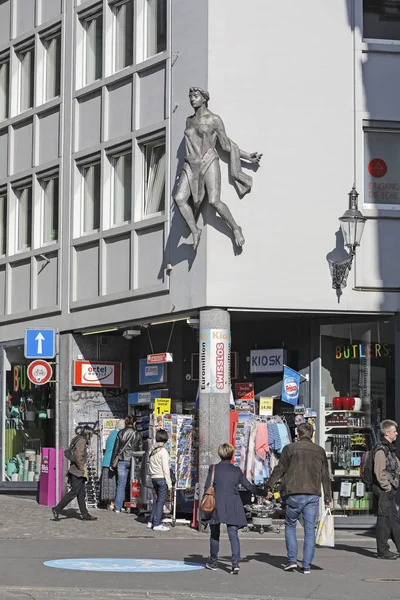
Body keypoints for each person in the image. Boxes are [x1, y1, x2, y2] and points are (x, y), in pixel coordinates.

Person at [174, 87, 262, 250]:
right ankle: (195, 230)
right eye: (190, 96)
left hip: (209, 160)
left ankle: (235, 228)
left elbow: (226, 145)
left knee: (214, 201)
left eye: (195, 96)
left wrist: (248, 156)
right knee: (179, 198)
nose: (192, 99)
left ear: (204, 98)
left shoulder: (214, 119)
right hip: (191, 163)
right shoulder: (189, 120)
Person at [266, 422, 331, 574]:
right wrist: (328, 497)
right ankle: (307, 565)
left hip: (293, 492)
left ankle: (292, 560)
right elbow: (325, 476)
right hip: (313, 493)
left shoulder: (289, 449)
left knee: (290, 526)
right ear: (312, 434)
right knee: (309, 530)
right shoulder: (319, 451)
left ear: (298, 434)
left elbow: (279, 469)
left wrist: (269, 486)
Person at [203, 442, 267, 575]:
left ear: (219, 454)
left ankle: (213, 561)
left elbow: (207, 486)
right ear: (232, 455)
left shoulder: (213, 468)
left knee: (214, 533)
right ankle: (235, 563)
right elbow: (249, 487)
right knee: (233, 533)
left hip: (216, 503)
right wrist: (263, 492)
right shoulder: (236, 471)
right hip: (232, 503)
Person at [52, 427, 97, 521]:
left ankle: (85, 514)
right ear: (88, 434)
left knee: (81, 494)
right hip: (77, 472)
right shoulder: (82, 441)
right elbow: (78, 456)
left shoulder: (78, 438)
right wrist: (82, 468)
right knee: (74, 492)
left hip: (76, 471)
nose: (91, 437)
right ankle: (57, 509)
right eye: (91, 435)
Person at [373, 419, 400, 560]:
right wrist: (387, 487)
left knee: (394, 520)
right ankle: (382, 551)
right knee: (384, 521)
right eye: (394, 431)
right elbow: (379, 472)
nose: (396, 433)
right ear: (387, 433)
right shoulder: (381, 450)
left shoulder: (389, 449)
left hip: (389, 490)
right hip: (384, 490)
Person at [110, 414, 143, 513]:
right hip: (134, 461)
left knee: (121, 484)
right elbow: (140, 449)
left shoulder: (120, 433)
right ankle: (134, 505)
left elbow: (116, 449)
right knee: (134, 484)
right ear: (134, 423)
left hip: (122, 460)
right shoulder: (137, 434)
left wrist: (112, 463)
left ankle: (117, 507)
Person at [148, 429, 172, 532]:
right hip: (161, 478)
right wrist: (169, 483)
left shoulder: (152, 451)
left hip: (153, 477)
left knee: (157, 500)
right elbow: (166, 469)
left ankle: (151, 521)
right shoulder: (163, 452)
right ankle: (157, 523)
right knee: (161, 501)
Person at [100, 419, 125, 510]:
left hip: (107, 461)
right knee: (112, 484)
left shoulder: (112, 434)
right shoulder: (117, 435)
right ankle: (112, 503)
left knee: (109, 484)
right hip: (111, 462)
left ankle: (110, 503)